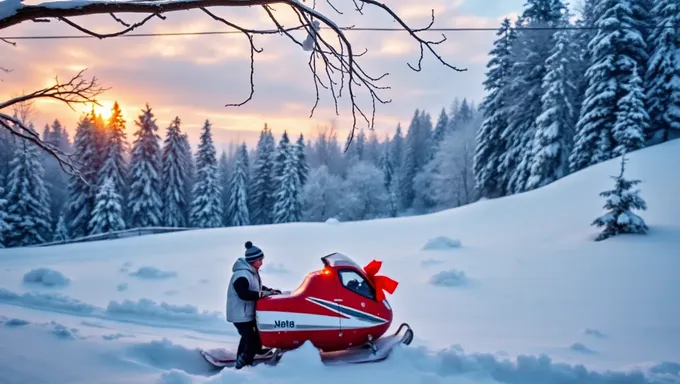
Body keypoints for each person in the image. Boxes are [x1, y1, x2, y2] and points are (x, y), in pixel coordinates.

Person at [226, 241, 281, 369]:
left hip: (246, 314)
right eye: (260, 260)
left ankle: (247, 353)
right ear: (252, 260)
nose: (262, 262)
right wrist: (261, 294)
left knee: (249, 338)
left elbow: (256, 287)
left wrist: (269, 291)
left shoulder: (251, 272)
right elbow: (243, 293)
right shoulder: (241, 275)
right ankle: (243, 363)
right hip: (240, 314)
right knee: (251, 339)